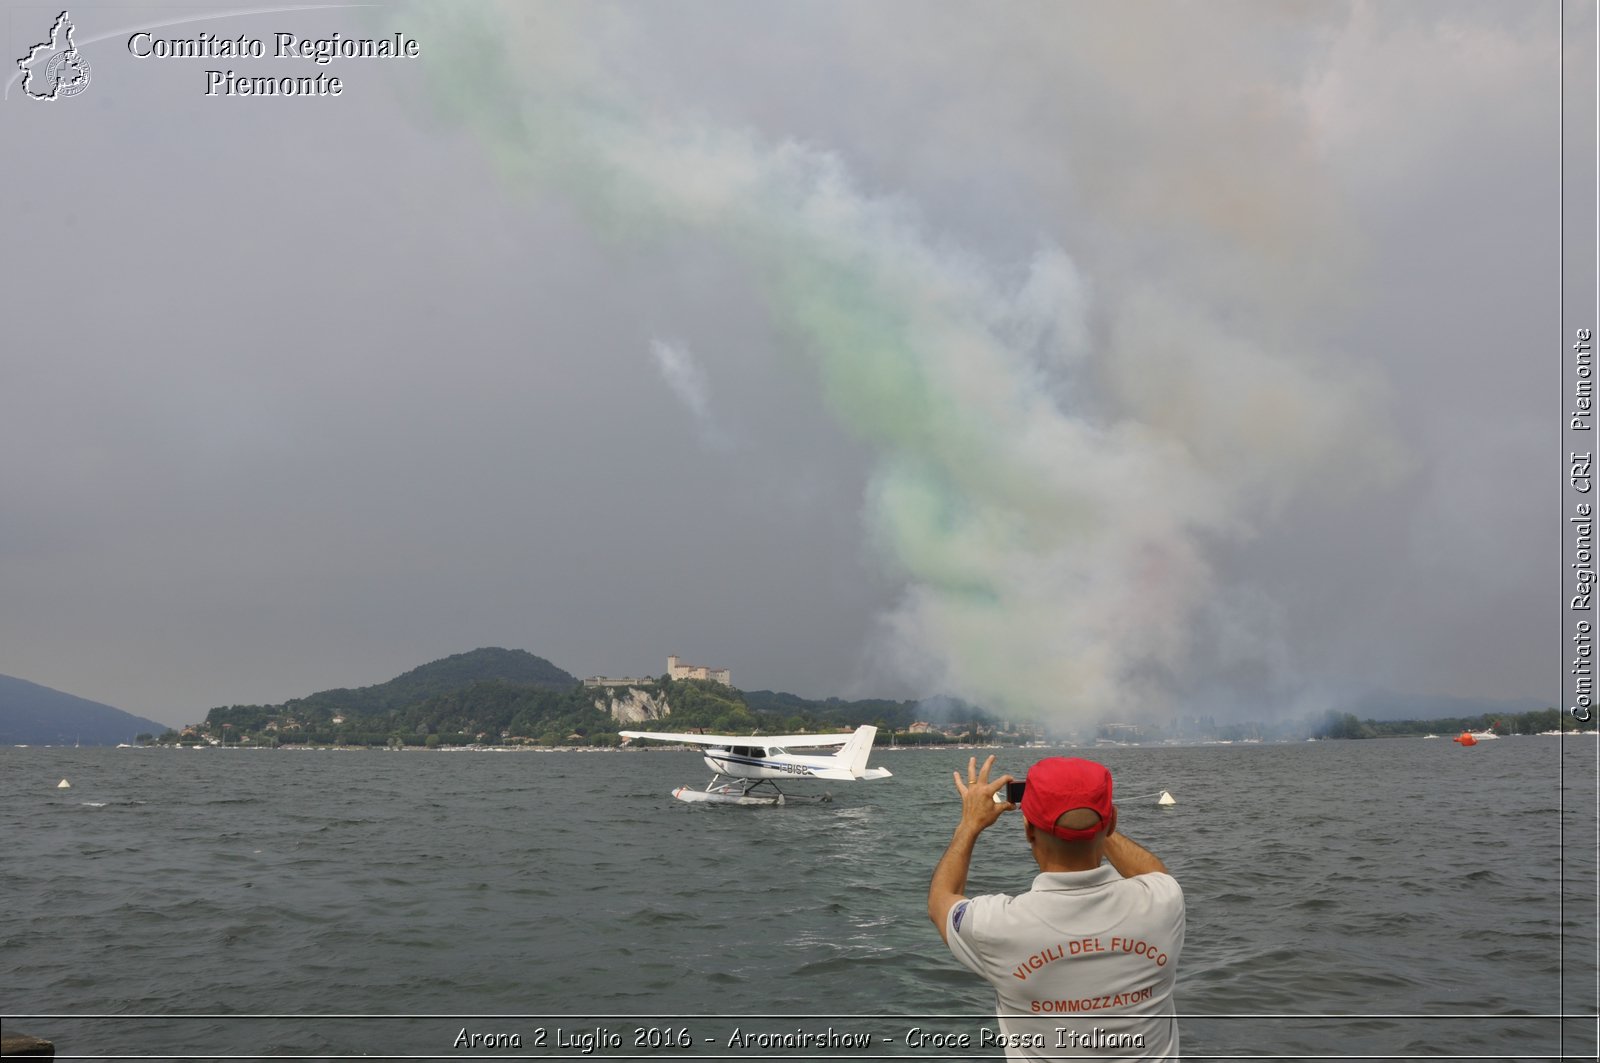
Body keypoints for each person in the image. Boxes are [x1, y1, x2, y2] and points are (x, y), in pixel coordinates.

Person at [928, 755, 1184, 1060]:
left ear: (1028, 831)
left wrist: (970, 824)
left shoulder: (996, 927)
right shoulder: (1164, 902)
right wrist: (1093, 823)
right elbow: (1154, 875)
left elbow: (942, 899)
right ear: (1112, 822)